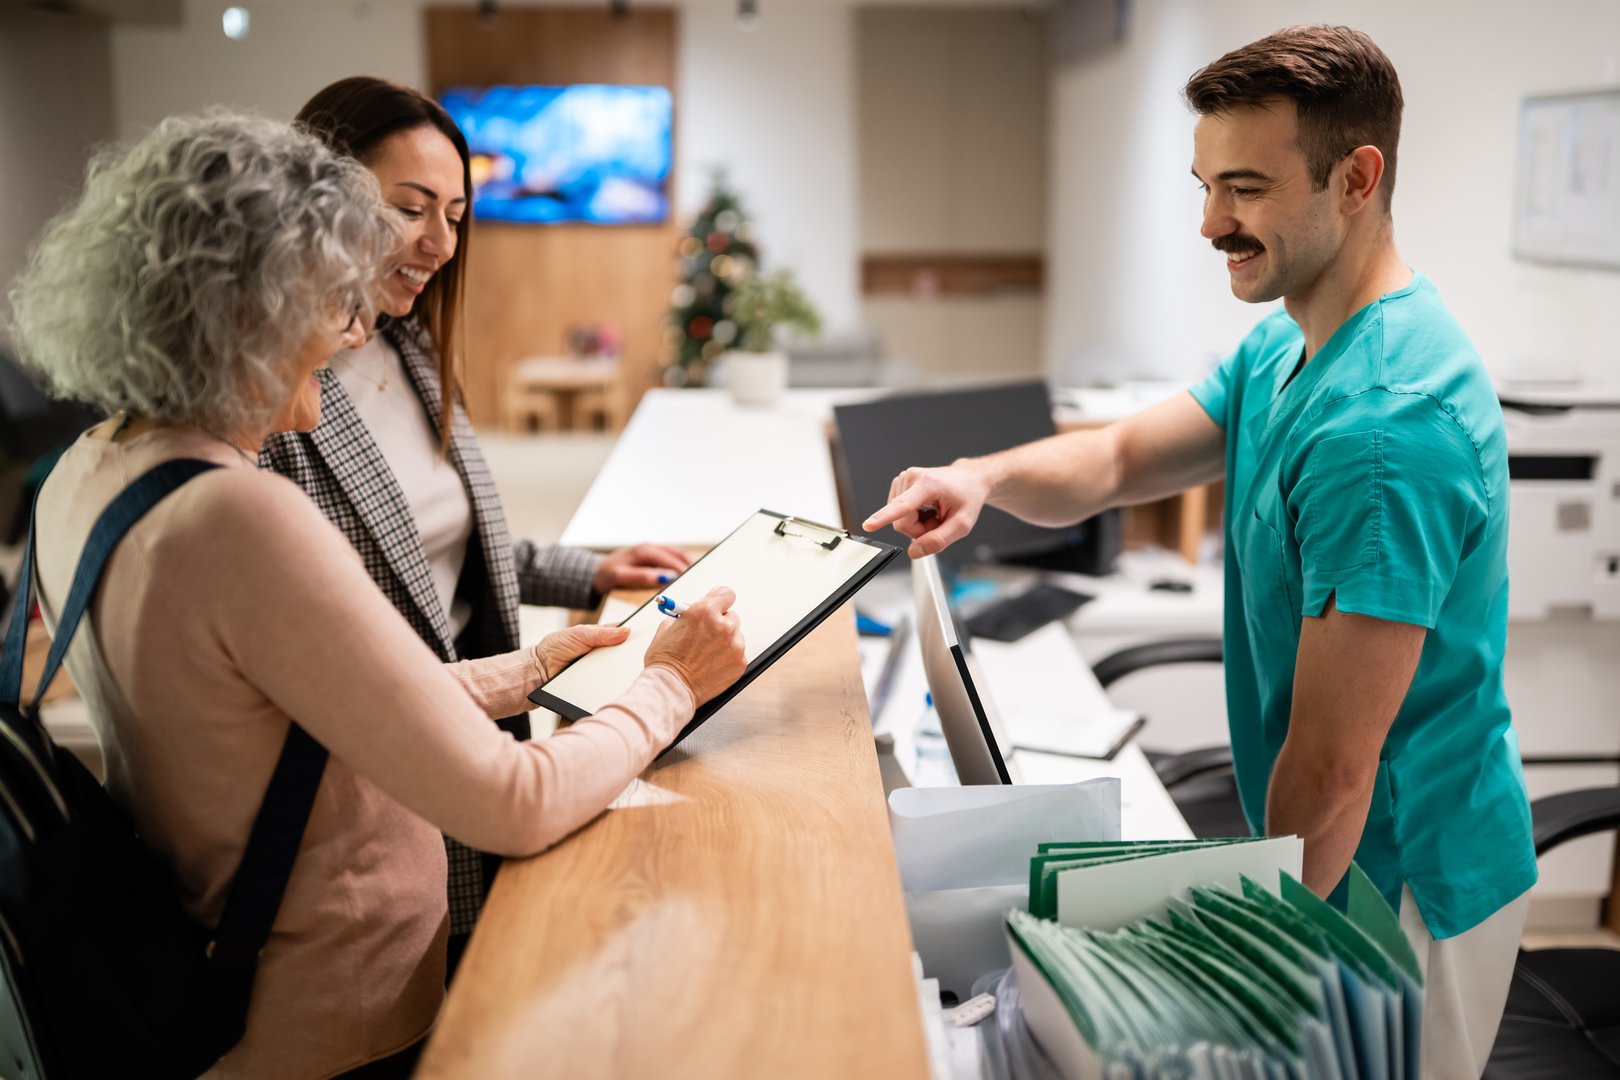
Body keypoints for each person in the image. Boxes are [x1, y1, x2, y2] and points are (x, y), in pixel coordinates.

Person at [8, 111, 745, 1079]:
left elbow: (272, 716)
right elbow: (512, 803)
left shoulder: (88, 469)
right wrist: (671, 688)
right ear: (246, 311)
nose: (356, 332)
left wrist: (519, 675)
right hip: (323, 1019)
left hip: (205, 962)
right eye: (333, 303)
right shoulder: (239, 517)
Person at [864, 25, 1533, 1079]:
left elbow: (1332, 767)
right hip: (1332, 853)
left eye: (1248, 189)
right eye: (1206, 184)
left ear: (1357, 179)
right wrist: (982, 479)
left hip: (1401, 882)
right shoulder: (1294, 337)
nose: (1214, 222)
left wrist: (1238, 979)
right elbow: (1125, 457)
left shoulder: (1384, 428)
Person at [259, 76, 691, 952]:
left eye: (457, 214)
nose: (439, 242)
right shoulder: (272, 398)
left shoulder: (412, 346)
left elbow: (441, 541)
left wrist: (593, 570)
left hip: (476, 711)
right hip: (383, 774)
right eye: (410, 208)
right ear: (318, 201)